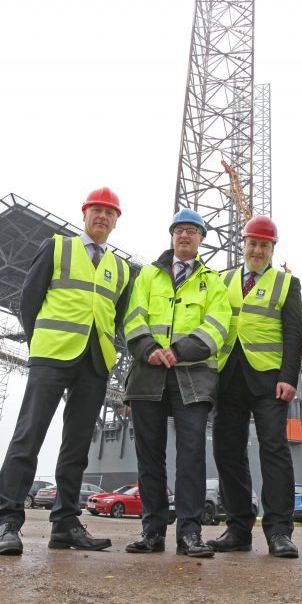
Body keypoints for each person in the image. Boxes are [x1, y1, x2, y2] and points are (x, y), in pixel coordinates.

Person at [0, 187, 131, 555]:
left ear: (117, 220)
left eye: (109, 212)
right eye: (96, 210)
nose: (102, 216)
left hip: (95, 361)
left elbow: (118, 318)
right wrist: (40, 343)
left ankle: (65, 523)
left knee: (76, 447)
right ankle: (7, 522)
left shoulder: (119, 268)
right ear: (84, 214)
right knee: (29, 435)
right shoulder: (57, 247)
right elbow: (29, 300)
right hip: (52, 355)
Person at [121, 208, 231, 558]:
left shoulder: (213, 282)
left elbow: (217, 325)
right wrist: (151, 349)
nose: (185, 236)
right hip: (148, 373)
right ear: (172, 236)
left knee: (191, 456)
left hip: (192, 379)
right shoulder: (148, 277)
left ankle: (190, 534)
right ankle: (152, 532)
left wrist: (178, 351)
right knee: (149, 457)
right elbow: (133, 317)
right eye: (179, 230)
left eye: (192, 231)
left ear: (201, 239)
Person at [208, 216, 302, 559]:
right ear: (242, 245)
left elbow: (294, 334)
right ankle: (237, 528)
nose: (257, 250)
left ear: (273, 249)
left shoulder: (287, 283)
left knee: (273, 449)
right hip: (227, 378)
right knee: (227, 451)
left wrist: (289, 377)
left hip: (268, 379)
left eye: (264, 245)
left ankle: (279, 531)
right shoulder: (221, 280)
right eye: (252, 243)